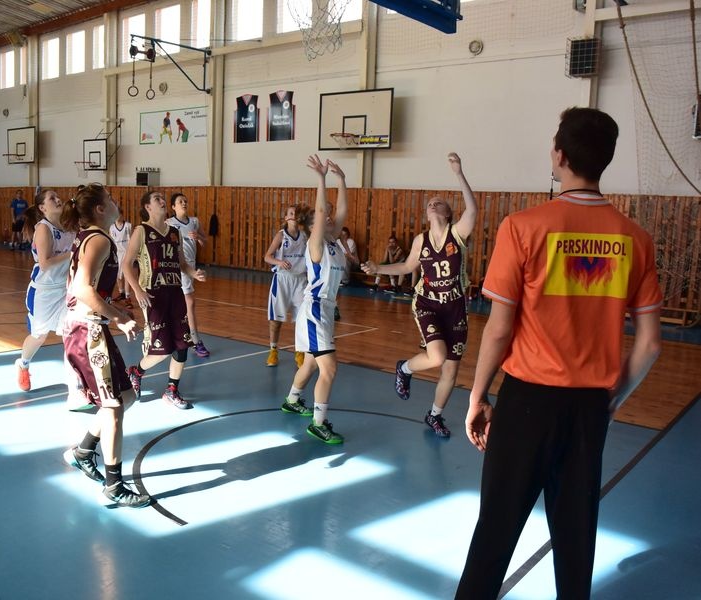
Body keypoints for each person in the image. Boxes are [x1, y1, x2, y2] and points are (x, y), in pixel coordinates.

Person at [456, 107, 662, 599]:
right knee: (575, 539)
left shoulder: (523, 227)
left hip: (526, 403)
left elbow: (499, 330)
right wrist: (611, 399)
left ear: (560, 155)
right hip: (589, 410)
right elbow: (651, 343)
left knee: (495, 533)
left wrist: (477, 396)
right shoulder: (635, 239)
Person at [362, 152, 477, 437]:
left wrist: (459, 173)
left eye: (439, 202)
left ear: (448, 213)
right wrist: (378, 268)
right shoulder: (420, 240)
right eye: (429, 203)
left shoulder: (457, 234)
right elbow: (406, 266)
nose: (433, 204)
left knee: (450, 371)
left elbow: (472, 211)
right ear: (427, 215)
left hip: (455, 308)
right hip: (428, 304)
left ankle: (434, 416)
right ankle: (404, 368)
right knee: (436, 357)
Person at [59, 183, 150, 509]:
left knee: (126, 396)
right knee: (113, 407)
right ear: (100, 209)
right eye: (110, 199)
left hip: (91, 327)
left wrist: (113, 309)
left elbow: (89, 289)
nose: (115, 202)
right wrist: (118, 317)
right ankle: (114, 485)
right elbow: (82, 289)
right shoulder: (98, 239)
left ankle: (84, 451)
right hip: (87, 331)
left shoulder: (92, 237)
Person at [280, 155, 348, 444]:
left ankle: (293, 400)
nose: (330, 217)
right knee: (329, 368)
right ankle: (319, 424)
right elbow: (321, 212)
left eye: (331, 216)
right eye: (325, 217)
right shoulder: (316, 243)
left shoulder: (333, 240)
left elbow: (340, 210)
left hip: (325, 310)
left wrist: (341, 180)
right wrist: (321, 178)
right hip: (315, 309)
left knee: (309, 364)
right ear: (314, 226)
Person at [122, 190, 206, 409]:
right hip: (153, 294)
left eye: (162, 198)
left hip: (175, 292)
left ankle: (171, 390)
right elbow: (126, 264)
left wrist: (194, 273)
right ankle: (136, 371)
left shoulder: (175, 232)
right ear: (148, 207)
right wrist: (137, 291)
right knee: (162, 349)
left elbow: (182, 263)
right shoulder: (141, 230)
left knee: (182, 345)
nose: (162, 201)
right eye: (157, 199)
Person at [15, 189, 76, 392]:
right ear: (42, 207)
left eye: (58, 197)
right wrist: (72, 253)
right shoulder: (44, 228)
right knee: (39, 336)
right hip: (43, 291)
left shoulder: (70, 227)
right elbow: (45, 263)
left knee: (71, 333)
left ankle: (76, 384)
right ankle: (23, 364)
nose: (58, 199)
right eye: (52, 198)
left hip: (65, 289)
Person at [263, 204, 310, 368]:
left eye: (296, 213)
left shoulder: (304, 236)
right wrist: (279, 262)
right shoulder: (281, 235)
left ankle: (300, 352)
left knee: (301, 320)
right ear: (286, 218)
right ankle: (273, 350)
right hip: (282, 280)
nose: (294, 215)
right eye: (291, 213)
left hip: (300, 280)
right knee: (276, 320)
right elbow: (267, 257)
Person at [166, 192, 211, 358]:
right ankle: (195, 340)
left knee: (182, 305)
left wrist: (198, 237)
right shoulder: (168, 223)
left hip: (190, 266)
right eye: (180, 201)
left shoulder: (194, 221)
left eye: (185, 201)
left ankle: (180, 337)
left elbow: (205, 242)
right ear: (173, 206)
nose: (184, 203)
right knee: (189, 303)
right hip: (176, 266)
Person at [108, 204, 133, 307]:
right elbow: (111, 240)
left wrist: (132, 253)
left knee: (127, 275)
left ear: (122, 215)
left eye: (119, 214)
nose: (117, 217)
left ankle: (128, 297)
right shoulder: (111, 227)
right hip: (117, 253)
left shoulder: (128, 226)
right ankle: (121, 292)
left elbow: (131, 240)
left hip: (126, 253)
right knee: (118, 276)